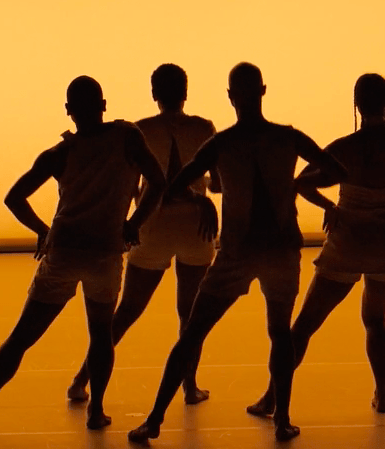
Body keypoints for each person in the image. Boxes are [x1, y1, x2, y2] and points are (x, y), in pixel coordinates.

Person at [127, 62, 349, 443]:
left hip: (237, 252)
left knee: (192, 334)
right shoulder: (287, 138)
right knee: (279, 333)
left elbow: (172, 186)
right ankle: (281, 421)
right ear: (263, 90)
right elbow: (335, 169)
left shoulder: (221, 144)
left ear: (230, 97)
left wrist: (203, 199)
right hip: (281, 248)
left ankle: (154, 421)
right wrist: (296, 184)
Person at [0, 75, 165, 430]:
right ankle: (95, 411)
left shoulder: (59, 154)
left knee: (21, 337)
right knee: (100, 335)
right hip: (106, 252)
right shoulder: (127, 137)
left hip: (64, 251)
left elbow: (14, 198)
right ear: (104, 105)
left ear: (68, 112)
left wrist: (43, 231)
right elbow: (158, 182)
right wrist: (133, 223)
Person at [246, 73, 385, 417]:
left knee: (304, 325)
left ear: (356, 104)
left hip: (348, 240)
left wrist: (332, 208)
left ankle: (272, 397)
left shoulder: (344, 147)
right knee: (374, 319)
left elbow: (301, 183)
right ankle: (382, 395)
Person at [66, 64, 219, 405]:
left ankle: (81, 380)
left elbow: (138, 186)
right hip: (197, 227)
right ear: (185, 91)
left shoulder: (140, 130)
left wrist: (129, 220)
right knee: (190, 316)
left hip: (153, 225)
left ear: (154, 93)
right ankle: (189, 386)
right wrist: (201, 192)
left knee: (125, 312)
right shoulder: (203, 127)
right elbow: (218, 183)